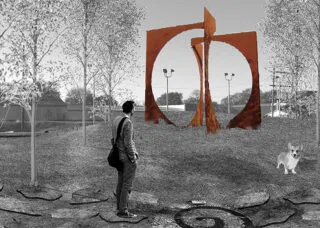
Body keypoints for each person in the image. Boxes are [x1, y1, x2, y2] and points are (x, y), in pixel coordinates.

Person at [111, 100, 139, 218]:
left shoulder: (116, 119)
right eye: (134, 108)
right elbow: (128, 143)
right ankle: (123, 211)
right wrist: (133, 157)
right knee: (127, 184)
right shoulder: (128, 123)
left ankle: (119, 208)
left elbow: (113, 139)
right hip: (126, 158)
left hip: (118, 156)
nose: (135, 110)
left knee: (120, 182)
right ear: (132, 109)